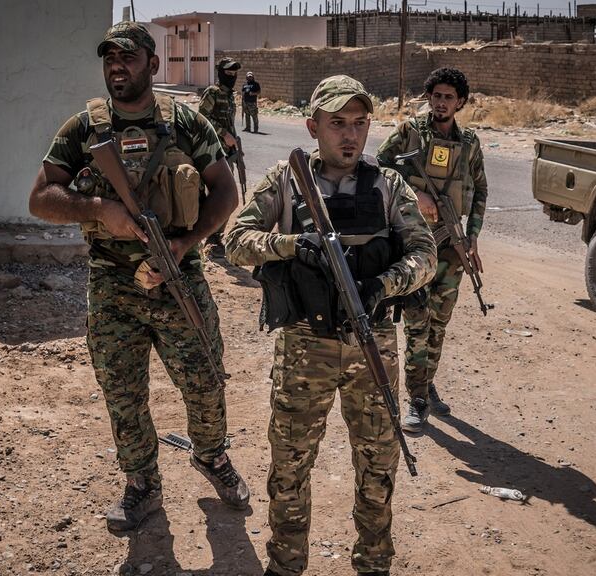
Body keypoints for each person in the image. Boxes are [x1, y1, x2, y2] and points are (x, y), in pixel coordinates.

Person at [28, 21, 250, 536]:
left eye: (127, 58)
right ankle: (142, 486)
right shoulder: (84, 129)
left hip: (180, 278)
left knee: (206, 381)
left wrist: (185, 242)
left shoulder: (188, 123)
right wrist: (100, 208)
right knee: (123, 392)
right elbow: (40, 198)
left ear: (152, 64)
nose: (116, 67)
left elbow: (224, 193)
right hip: (111, 286)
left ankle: (212, 458)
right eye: (109, 58)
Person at [223, 75, 436, 576]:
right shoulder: (286, 179)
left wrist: (383, 284)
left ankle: (374, 563)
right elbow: (236, 239)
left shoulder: (387, 184)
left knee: (378, 467)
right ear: (312, 126)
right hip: (305, 348)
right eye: (337, 123)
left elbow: (426, 254)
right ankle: (287, 564)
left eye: (360, 124)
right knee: (291, 467)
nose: (350, 135)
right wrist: (293, 245)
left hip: (373, 343)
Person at [376, 67, 488, 433]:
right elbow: (378, 166)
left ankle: (424, 380)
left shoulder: (469, 143)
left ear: (460, 103)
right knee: (416, 320)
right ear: (430, 97)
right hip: (414, 243)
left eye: (449, 98)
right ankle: (418, 397)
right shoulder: (409, 132)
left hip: (452, 248)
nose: (441, 103)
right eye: (436, 95)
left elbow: (481, 191)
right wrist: (415, 195)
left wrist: (472, 237)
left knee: (438, 323)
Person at [200, 57, 243, 248]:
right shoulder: (213, 92)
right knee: (215, 194)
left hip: (228, 151)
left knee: (227, 194)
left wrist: (235, 142)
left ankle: (215, 237)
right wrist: (224, 133)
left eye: (235, 73)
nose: (232, 76)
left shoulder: (231, 95)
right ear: (220, 72)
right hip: (211, 151)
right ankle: (207, 235)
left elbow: (229, 123)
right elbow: (202, 117)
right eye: (228, 72)